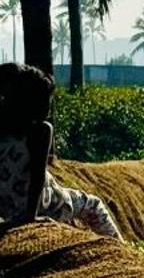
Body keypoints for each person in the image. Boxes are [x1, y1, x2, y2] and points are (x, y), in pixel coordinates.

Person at [0, 62, 121, 238]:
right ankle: (119, 249)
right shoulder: (40, 131)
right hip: (48, 205)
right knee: (92, 204)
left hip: (12, 207)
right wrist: (30, 216)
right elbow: (37, 175)